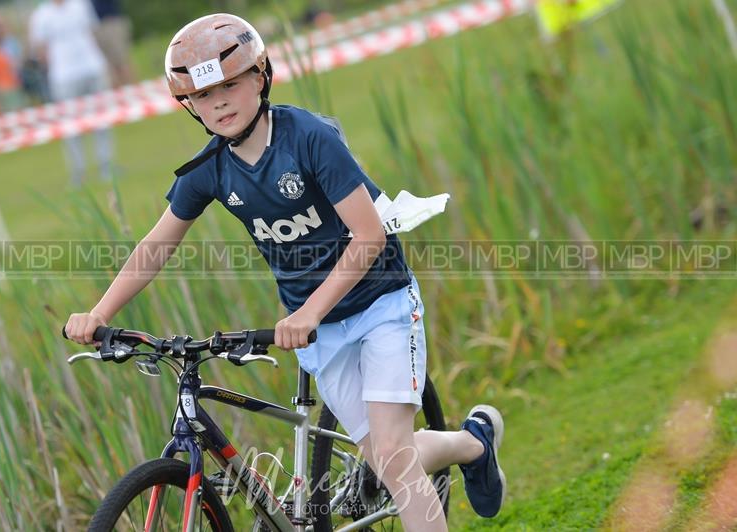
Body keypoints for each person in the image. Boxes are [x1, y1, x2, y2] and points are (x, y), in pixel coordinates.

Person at [63, 13, 506, 528]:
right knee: (389, 459)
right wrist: (98, 313)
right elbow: (156, 244)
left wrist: (308, 314)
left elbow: (370, 237)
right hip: (318, 328)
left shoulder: (310, 138)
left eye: (230, 85)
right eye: (203, 97)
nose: (219, 103)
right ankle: (473, 444)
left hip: (380, 303)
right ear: (189, 107)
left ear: (260, 77)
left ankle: (465, 447)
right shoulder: (210, 168)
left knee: (394, 459)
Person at [29, 0, 114, 185]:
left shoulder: (81, 5)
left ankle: (106, 166)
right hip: (63, 76)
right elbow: (39, 48)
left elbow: (93, 31)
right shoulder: (42, 15)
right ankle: (78, 173)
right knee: (70, 127)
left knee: (102, 119)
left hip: (92, 67)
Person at [90, 0, 135, 87]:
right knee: (108, 68)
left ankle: (134, 93)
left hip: (110, 22)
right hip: (96, 24)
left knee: (122, 63)